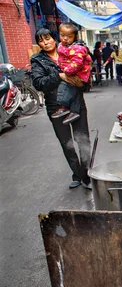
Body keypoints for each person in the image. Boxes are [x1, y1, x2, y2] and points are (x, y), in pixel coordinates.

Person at [30, 28, 92, 190]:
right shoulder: (38, 60)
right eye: (41, 40)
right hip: (55, 106)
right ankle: (77, 174)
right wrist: (59, 76)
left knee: (83, 139)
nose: (46, 42)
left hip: (76, 104)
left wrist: (81, 82)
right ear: (39, 44)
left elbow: (85, 71)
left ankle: (87, 175)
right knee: (67, 144)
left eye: (48, 38)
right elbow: (38, 83)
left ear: (54, 38)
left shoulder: (69, 49)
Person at [51, 23, 92, 124]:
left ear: (75, 37)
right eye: (62, 35)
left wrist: (67, 71)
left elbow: (77, 63)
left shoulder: (77, 48)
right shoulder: (61, 46)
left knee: (66, 86)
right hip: (69, 72)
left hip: (78, 73)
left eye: (69, 37)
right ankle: (74, 111)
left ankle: (63, 106)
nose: (65, 38)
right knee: (74, 91)